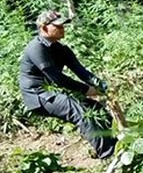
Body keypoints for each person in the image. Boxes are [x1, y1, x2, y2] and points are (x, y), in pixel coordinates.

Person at [19, 10, 116, 159]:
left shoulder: (61, 49)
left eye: (63, 25)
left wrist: (103, 87)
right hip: (37, 95)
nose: (62, 28)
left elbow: (81, 71)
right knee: (80, 113)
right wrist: (86, 89)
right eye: (58, 26)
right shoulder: (36, 48)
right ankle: (108, 155)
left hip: (51, 92)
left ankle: (115, 142)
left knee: (95, 108)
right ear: (43, 28)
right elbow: (58, 78)